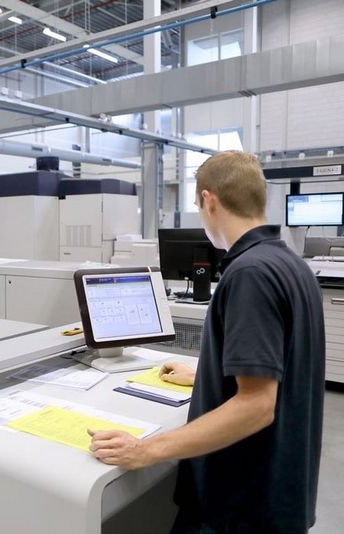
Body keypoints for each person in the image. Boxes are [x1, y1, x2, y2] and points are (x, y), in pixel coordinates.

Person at [89, 151, 325, 533]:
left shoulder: (250, 274)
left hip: (240, 507)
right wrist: (207, 377)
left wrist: (144, 450)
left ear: (208, 200)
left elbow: (257, 406)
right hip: (279, 493)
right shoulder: (290, 264)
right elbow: (283, 372)